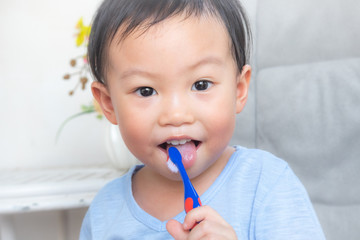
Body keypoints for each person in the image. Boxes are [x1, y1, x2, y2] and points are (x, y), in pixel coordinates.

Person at [80, 0, 326, 239]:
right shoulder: (104, 211)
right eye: (146, 91)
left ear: (238, 90)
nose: (176, 115)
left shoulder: (266, 183)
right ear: (108, 103)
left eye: (201, 85)